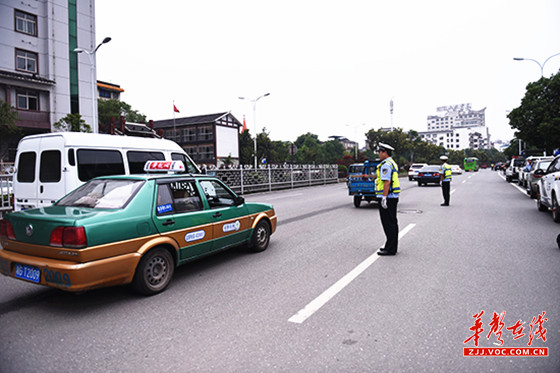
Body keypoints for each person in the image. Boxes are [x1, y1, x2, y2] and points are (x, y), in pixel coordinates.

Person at [374, 143, 400, 256]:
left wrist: (384, 197)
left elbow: (387, 182)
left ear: (385, 152)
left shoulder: (386, 165)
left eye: (380, 152)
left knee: (388, 223)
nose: (379, 154)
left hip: (388, 197)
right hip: (392, 197)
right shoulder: (392, 163)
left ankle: (390, 248)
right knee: (392, 222)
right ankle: (391, 246)